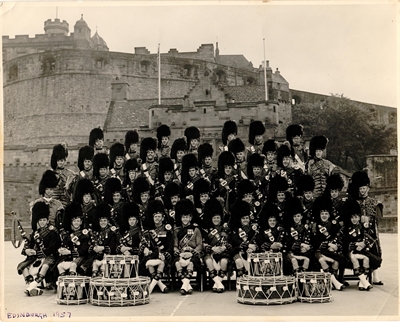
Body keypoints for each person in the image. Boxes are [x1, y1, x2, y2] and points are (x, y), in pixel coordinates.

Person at [348, 170, 384, 286]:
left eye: (364, 188)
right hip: (358, 232)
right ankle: (363, 275)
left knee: (375, 251)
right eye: (360, 188)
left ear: (368, 188)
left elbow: (377, 217)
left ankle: (375, 276)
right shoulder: (355, 202)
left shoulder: (374, 202)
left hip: (371, 232)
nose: (362, 190)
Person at [23, 202, 60, 296]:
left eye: (44, 220)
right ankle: (33, 286)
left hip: (50, 256)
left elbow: (53, 247)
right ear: (38, 221)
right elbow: (29, 244)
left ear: (47, 221)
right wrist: (27, 250)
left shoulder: (52, 232)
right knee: (24, 267)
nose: (42, 222)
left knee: (45, 266)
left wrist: (38, 252)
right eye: (40, 220)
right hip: (37, 256)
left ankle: (32, 287)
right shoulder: (35, 233)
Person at [342, 199, 380, 291]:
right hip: (350, 252)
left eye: (356, 217)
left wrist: (363, 244)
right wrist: (356, 244)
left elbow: (371, 238)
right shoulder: (346, 229)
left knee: (366, 259)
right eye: (352, 217)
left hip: (363, 251)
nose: (354, 219)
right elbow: (345, 242)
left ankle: (362, 282)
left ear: (359, 217)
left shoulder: (364, 227)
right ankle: (364, 281)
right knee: (354, 259)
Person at [312, 195, 346, 291]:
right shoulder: (315, 226)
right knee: (321, 259)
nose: (324, 216)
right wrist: (327, 245)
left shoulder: (334, 225)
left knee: (336, 261)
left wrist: (334, 246)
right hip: (319, 251)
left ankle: (332, 281)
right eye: (322, 213)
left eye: (326, 214)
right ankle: (335, 282)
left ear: (329, 215)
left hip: (331, 251)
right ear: (319, 214)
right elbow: (314, 241)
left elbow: (338, 238)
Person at [142, 200, 173, 294]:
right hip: (153, 256)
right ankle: (161, 285)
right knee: (149, 263)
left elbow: (170, 246)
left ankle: (150, 288)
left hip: (163, 256)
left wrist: (164, 254)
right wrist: (146, 249)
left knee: (161, 263)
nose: (157, 218)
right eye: (155, 216)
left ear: (163, 218)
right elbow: (146, 244)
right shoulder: (149, 231)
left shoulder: (167, 230)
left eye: (159, 216)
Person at [173, 199, 203, 295]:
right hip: (181, 254)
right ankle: (187, 286)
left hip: (192, 254)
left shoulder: (196, 229)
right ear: (180, 218)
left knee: (191, 263)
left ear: (190, 218)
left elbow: (199, 245)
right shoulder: (177, 230)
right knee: (177, 263)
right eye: (183, 217)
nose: (185, 219)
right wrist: (179, 251)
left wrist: (192, 251)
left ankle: (184, 286)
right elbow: (175, 245)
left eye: (187, 217)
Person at [202, 198, 231, 293]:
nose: (216, 220)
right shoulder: (207, 229)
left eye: (218, 218)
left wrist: (224, 247)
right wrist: (212, 248)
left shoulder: (225, 228)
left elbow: (230, 241)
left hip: (223, 252)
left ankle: (217, 284)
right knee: (209, 262)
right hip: (211, 253)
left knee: (224, 262)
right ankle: (218, 284)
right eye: (214, 218)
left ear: (221, 218)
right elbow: (204, 243)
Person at [57, 202, 91, 277]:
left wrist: (69, 252)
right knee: (59, 266)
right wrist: (61, 250)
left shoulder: (84, 235)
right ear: (71, 222)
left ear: (81, 222)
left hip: (81, 259)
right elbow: (65, 245)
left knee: (73, 265)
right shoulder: (67, 234)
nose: (76, 223)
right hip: (69, 258)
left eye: (78, 221)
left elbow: (83, 251)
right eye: (74, 221)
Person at [283, 197, 313, 275]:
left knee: (307, 259)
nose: (296, 218)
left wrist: (307, 247)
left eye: (298, 216)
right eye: (295, 216)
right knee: (293, 260)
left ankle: (303, 278)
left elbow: (310, 240)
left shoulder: (306, 227)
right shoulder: (289, 228)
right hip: (293, 252)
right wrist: (300, 245)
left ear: (302, 217)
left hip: (305, 252)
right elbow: (288, 243)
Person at [230, 200, 258, 277]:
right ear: (240, 219)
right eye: (243, 218)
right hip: (239, 251)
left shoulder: (254, 229)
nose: (245, 220)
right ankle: (242, 280)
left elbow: (257, 240)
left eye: (247, 218)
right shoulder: (236, 229)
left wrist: (253, 247)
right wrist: (248, 245)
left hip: (252, 251)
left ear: (249, 219)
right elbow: (234, 240)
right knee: (239, 261)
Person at [89, 203, 118, 277]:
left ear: (108, 221)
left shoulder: (112, 233)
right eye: (101, 221)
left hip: (108, 258)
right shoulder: (95, 233)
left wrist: (103, 248)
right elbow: (91, 246)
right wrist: (94, 248)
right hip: (95, 258)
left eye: (105, 221)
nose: (103, 223)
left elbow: (113, 247)